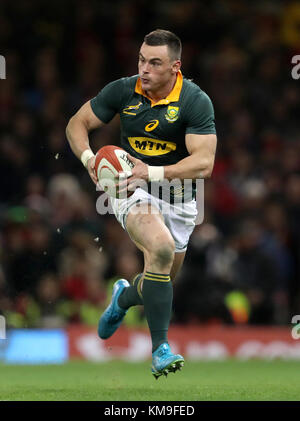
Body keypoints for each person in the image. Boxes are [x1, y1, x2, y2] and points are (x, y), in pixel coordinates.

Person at [66, 29, 217, 379]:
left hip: (179, 199)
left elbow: (204, 164)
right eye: (141, 60)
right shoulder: (123, 89)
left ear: (175, 67)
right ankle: (160, 350)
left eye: (154, 62)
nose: (144, 69)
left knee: (157, 279)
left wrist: (151, 171)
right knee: (161, 248)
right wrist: (90, 158)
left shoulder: (195, 101)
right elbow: (77, 123)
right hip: (130, 189)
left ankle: (122, 297)